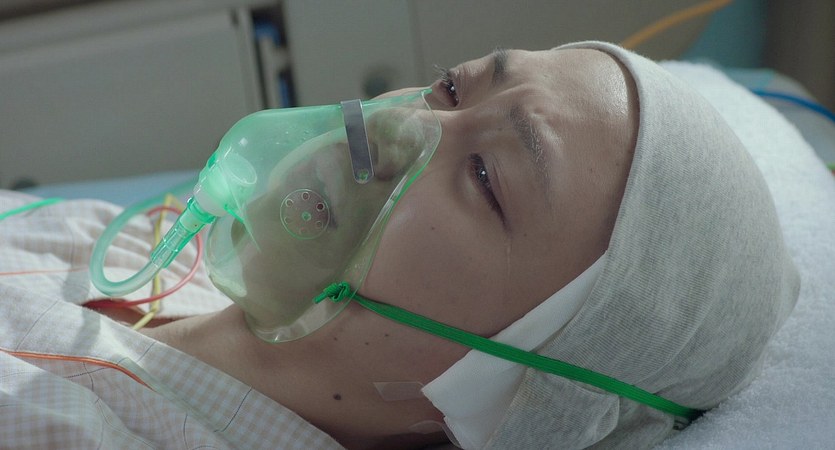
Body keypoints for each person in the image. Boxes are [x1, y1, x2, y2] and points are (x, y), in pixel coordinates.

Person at [0, 41, 799, 449]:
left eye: (485, 176)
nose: (392, 125)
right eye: (451, 89)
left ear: (525, 394)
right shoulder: (153, 247)